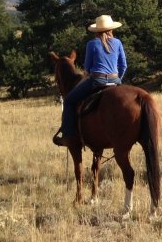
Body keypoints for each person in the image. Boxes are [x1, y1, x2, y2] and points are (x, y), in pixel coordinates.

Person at [53, 14, 128, 147]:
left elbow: (87, 68)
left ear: (97, 31)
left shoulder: (92, 44)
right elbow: (123, 66)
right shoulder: (117, 42)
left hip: (96, 81)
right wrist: (117, 80)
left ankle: (67, 136)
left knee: (69, 101)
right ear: (111, 29)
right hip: (115, 81)